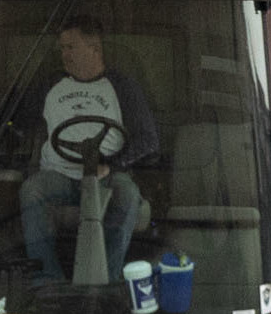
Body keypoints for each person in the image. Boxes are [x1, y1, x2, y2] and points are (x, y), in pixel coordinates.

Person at [19, 21, 163, 284]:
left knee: (128, 194)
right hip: (58, 174)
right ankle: (47, 280)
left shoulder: (122, 86)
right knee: (31, 190)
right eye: (62, 48)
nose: (65, 55)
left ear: (95, 49)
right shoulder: (50, 84)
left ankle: (105, 279)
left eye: (71, 47)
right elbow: (19, 120)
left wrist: (113, 165)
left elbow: (148, 140)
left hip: (105, 175)